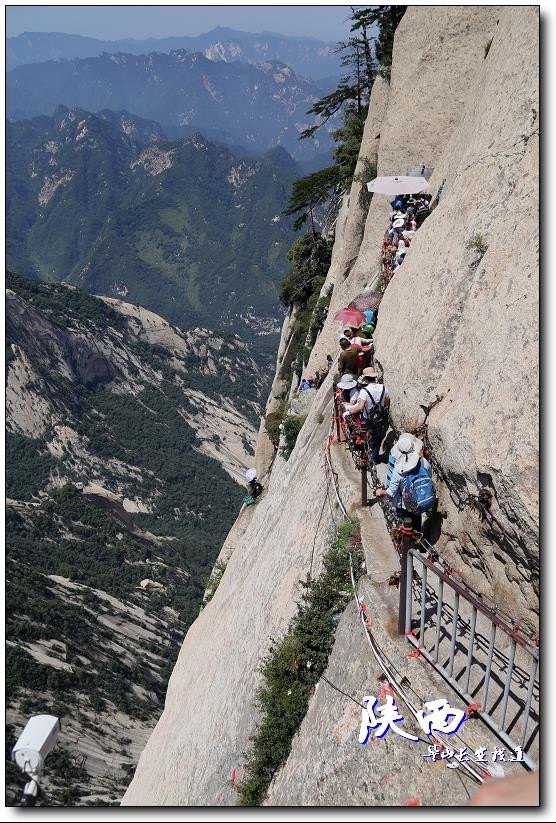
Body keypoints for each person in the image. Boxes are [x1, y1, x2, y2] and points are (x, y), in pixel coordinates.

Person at [375, 437, 433, 530]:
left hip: (403, 506)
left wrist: (380, 492)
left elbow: (391, 492)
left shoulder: (398, 471)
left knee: (403, 529)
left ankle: (406, 542)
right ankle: (417, 541)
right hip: (418, 502)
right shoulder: (423, 462)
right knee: (416, 527)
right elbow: (429, 477)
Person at [342, 367, 390, 462]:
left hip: (367, 419)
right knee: (377, 439)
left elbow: (360, 407)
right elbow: (386, 403)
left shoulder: (365, 391)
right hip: (379, 418)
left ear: (366, 378)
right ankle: (375, 458)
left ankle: (365, 458)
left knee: (364, 438)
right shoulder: (384, 388)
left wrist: (349, 412)